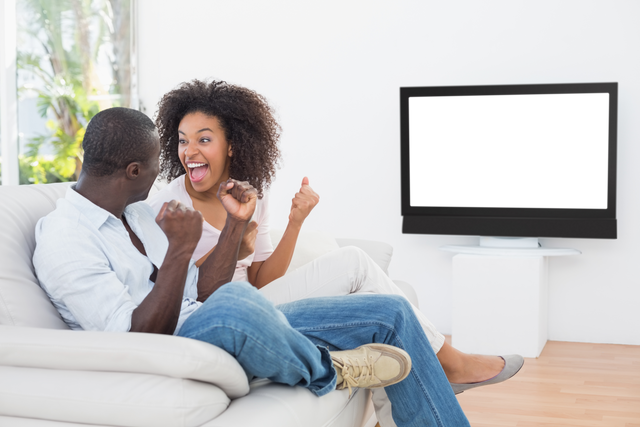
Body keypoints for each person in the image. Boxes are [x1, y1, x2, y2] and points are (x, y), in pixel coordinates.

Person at [33, 107, 471, 427]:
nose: (167, 172)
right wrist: (179, 253)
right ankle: (327, 369)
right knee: (237, 303)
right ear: (132, 170)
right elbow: (134, 340)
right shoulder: (64, 238)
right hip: (169, 346)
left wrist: (234, 227)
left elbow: (201, 291)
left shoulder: (140, 215)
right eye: (153, 166)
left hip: (215, 318)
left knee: (389, 312)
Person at [149, 79, 524, 422]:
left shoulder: (248, 195)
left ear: (232, 145)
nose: (190, 151)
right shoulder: (170, 207)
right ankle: (450, 362)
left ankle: (443, 366)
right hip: (229, 316)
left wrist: (295, 222)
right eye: (182, 140)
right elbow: (179, 292)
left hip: (260, 300)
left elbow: (263, 279)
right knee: (364, 280)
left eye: (203, 139)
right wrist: (231, 243)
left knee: (357, 265)